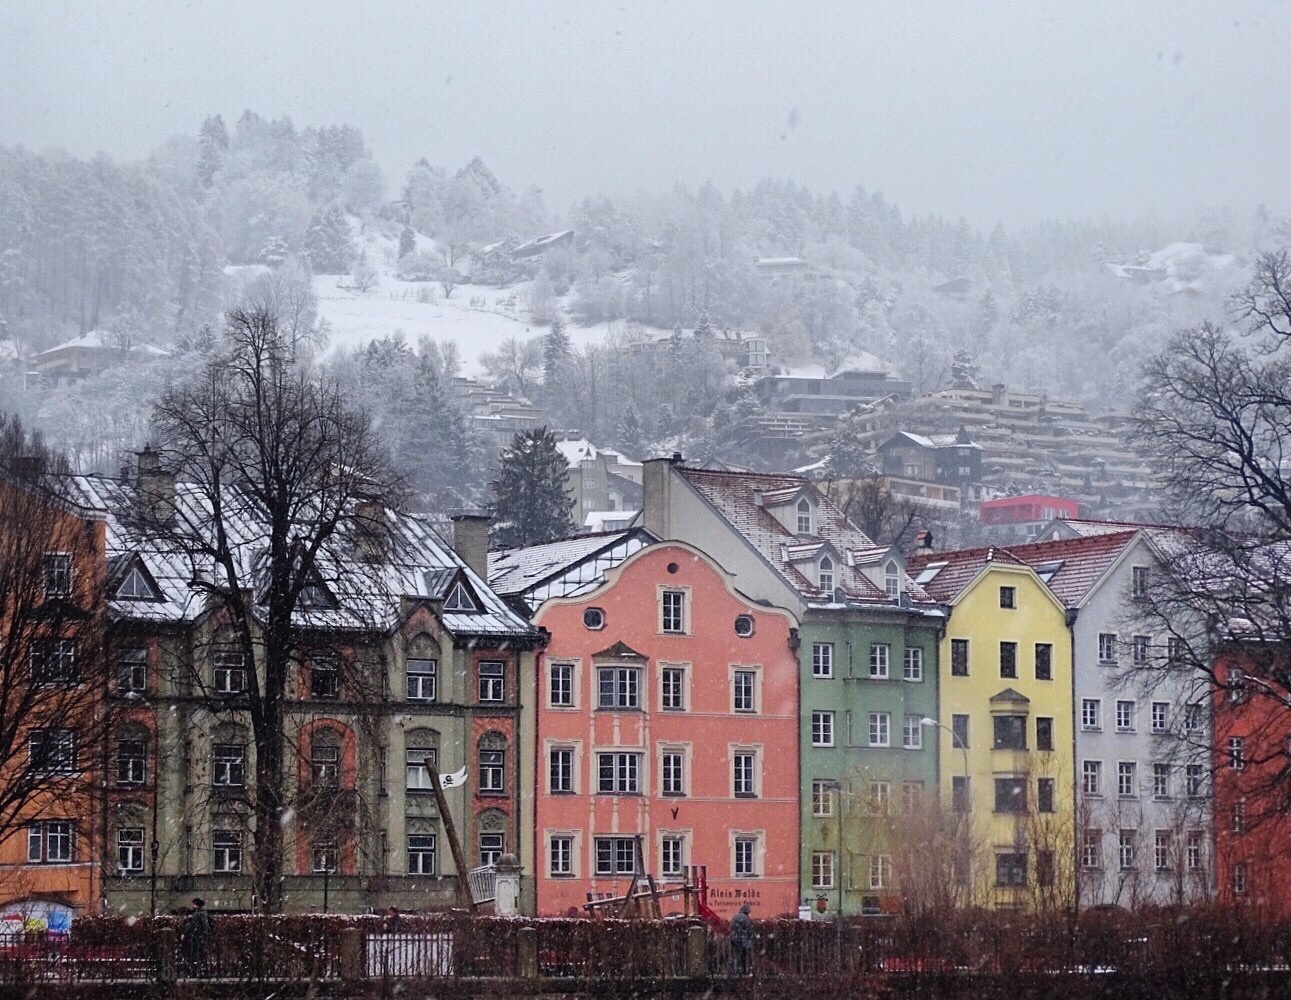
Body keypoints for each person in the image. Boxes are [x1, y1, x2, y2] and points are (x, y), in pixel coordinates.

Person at [180, 897, 213, 976]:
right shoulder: (202, 913)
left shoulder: (198, 914)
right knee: (200, 954)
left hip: (197, 936)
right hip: (199, 936)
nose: (192, 905)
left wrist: (185, 933)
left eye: (193, 904)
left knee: (195, 954)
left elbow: (193, 925)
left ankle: (194, 972)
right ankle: (200, 971)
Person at [729, 903, 754, 975]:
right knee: (744, 956)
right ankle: (743, 971)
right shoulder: (746, 918)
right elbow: (748, 930)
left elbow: (732, 928)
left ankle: (735, 970)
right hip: (743, 941)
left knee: (736, 956)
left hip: (735, 939)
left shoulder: (735, 917)